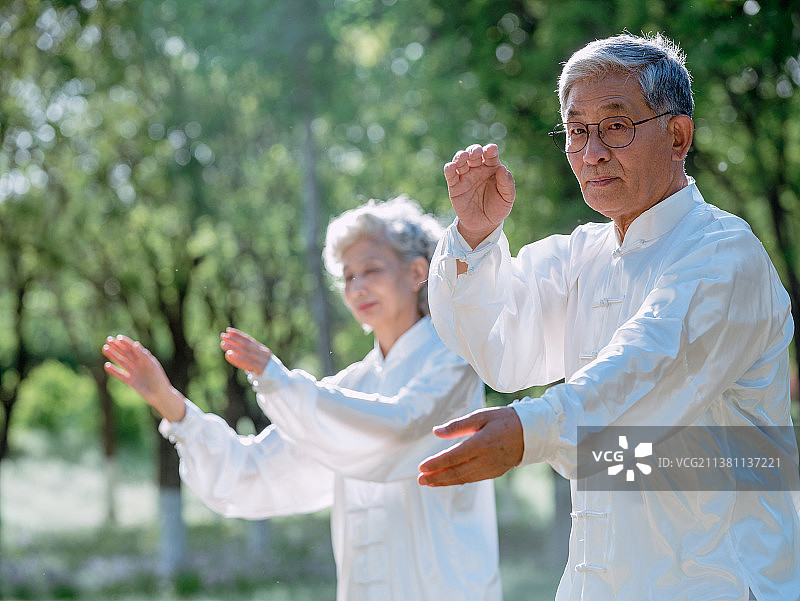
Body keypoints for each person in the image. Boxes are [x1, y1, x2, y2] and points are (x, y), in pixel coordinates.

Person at [417, 33, 800, 601]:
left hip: (721, 580)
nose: (593, 152)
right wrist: (474, 238)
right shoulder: (581, 254)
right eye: (576, 131)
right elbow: (498, 349)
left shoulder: (724, 253)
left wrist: (532, 431)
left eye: (616, 126)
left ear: (677, 135)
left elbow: (643, 371)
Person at [103, 196, 501, 601]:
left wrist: (279, 382)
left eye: (372, 269)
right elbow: (254, 471)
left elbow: (400, 429)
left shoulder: (452, 357)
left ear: (417, 271)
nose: (358, 286)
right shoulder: (351, 387)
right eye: (347, 277)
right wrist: (171, 404)